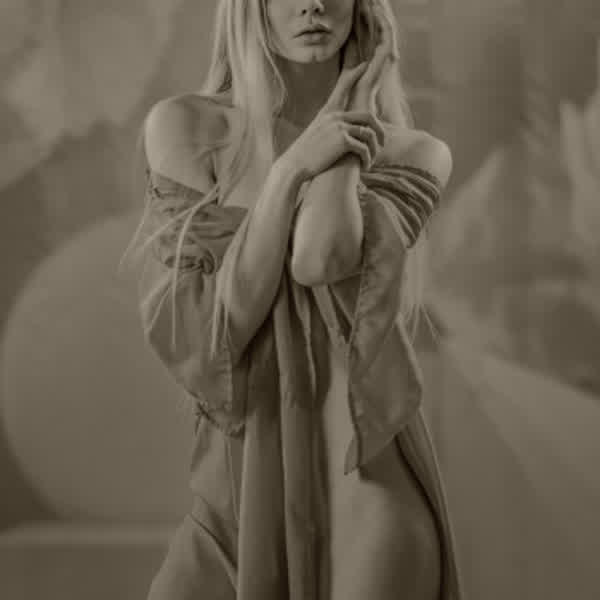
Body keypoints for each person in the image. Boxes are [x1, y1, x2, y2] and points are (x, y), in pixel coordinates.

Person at [120, 1, 464, 599]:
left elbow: (318, 258)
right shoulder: (185, 128)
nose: (313, 4)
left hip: (366, 489)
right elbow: (216, 333)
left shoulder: (415, 152)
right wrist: (291, 170)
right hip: (232, 497)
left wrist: (345, 126)